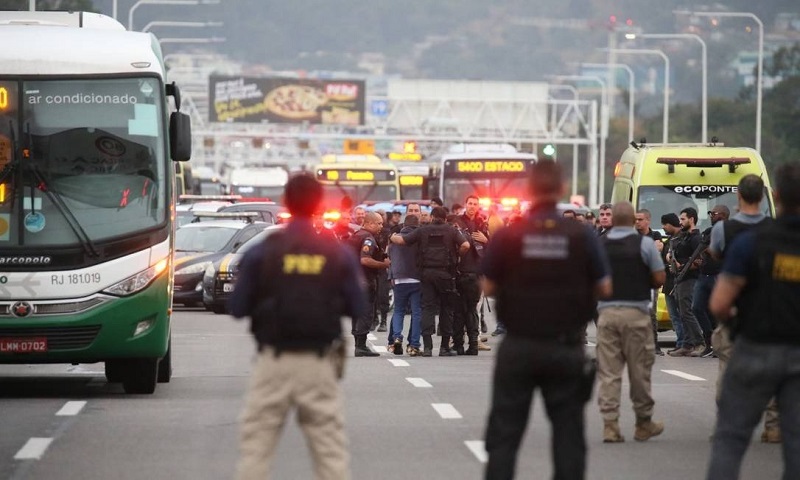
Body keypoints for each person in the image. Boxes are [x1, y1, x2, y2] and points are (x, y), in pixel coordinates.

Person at [229, 174, 366, 480]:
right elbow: (358, 307)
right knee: (329, 448)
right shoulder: (336, 253)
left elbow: (237, 308)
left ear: (286, 203)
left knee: (257, 446)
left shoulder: (263, 251)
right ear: (319, 204)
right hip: (319, 363)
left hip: (272, 362)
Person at [481, 160, 611, 480]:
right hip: (565, 346)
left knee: (504, 436)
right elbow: (605, 286)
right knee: (568, 436)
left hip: (519, 344)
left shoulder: (510, 235)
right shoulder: (582, 236)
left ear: (528, 190)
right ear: (562, 190)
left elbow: (487, 285)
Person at [706, 162, 800, 479]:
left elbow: (719, 302)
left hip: (755, 346)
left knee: (730, 439)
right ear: (765, 196)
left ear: (776, 195)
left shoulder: (751, 242)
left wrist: (735, 321)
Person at [708, 174, 778, 443]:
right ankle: (773, 426)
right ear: (762, 196)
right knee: (771, 372)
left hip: (734, 308)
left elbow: (715, 254)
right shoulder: (774, 229)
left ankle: (726, 424)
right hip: (768, 310)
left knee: (728, 371)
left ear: (738, 195)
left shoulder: (723, 229)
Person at [597, 202, 666, 443]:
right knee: (639, 371)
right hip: (636, 314)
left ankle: (610, 425)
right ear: (632, 221)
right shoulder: (644, 244)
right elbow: (659, 278)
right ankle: (643, 423)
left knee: (609, 372)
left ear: (613, 219)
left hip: (606, 314)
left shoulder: (599, 245)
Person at [391, 207, 469, 356]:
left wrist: (392, 236)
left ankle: (427, 347)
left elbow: (401, 240)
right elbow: (466, 245)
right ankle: (444, 347)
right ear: (445, 218)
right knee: (446, 309)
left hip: (426, 274)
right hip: (446, 274)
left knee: (427, 308)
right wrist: (457, 256)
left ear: (432, 217)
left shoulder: (423, 230)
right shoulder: (452, 230)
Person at [453, 194, 491, 354]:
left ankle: (473, 344)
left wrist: (486, 240)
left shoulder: (482, 223)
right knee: (459, 310)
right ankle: (458, 344)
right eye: (470, 203)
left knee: (472, 310)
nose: (472, 206)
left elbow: (491, 251)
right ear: (465, 204)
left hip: (476, 273)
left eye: (475, 204)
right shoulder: (457, 222)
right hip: (460, 271)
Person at [349, 211, 391, 356]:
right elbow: (365, 259)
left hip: (354, 280)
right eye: (379, 223)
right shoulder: (368, 238)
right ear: (369, 223)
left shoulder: (355, 235)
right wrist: (383, 264)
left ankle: (359, 344)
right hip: (365, 280)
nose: (381, 226)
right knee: (366, 312)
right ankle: (361, 346)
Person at [667, 207, 706, 357]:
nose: (680, 222)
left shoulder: (696, 238)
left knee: (687, 312)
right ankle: (687, 344)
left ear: (691, 219)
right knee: (682, 313)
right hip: (680, 278)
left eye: (683, 219)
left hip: (690, 278)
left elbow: (700, 260)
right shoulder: (684, 236)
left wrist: (682, 266)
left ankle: (699, 342)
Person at [692, 205, 729, 358]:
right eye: (710, 213)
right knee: (697, 307)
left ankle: (721, 343)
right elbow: (701, 251)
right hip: (704, 275)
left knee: (718, 310)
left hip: (718, 275)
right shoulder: (708, 232)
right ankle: (709, 341)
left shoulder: (728, 231)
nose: (711, 216)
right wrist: (700, 259)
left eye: (713, 213)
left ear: (723, 215)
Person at [387, 213, 423, 356]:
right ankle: (414, 345)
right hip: (416, 279)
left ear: (404, 224)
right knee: (417, 312)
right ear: (417, 224)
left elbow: (390, 258)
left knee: (398, 311)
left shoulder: (394, 239)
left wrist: (392, 276)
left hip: (399, 279)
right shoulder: (419, 237)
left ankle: (396, 337)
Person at [635, 208, 664, 355]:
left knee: (651, 313)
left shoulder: (655, 234)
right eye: (636, 219)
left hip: (650, 280)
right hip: (635, 280)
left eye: (640, 219)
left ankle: (654, 344)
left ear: (648, 220)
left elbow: (659, 247)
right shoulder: (632, 235)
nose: (637, 222)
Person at [661, 213, 685, 355]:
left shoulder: (682, 239)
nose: (663, 227)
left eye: (664, 224)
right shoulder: (670, 240)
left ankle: (684, 342)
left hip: (679, 281)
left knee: (682, 314)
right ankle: (680, 342)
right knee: (674, 316)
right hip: (668, 282)